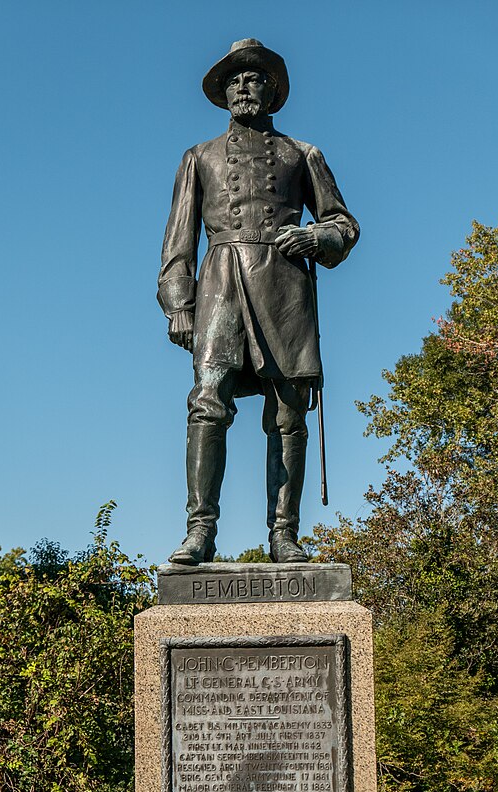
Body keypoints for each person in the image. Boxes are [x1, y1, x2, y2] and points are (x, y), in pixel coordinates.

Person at [158, 38, 359, 565]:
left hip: (285, 286)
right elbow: (178, 243)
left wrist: (318, 238)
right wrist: (179, 304)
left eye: (255, 79)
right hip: (221, 283)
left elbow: (344, 223)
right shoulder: (198, 157)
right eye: (235, 80)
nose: (244, 86)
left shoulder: (302, 154)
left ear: (273, 91)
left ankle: (283, 534)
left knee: (290, 413)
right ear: (224, 94)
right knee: (207, 402)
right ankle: (199, 531)